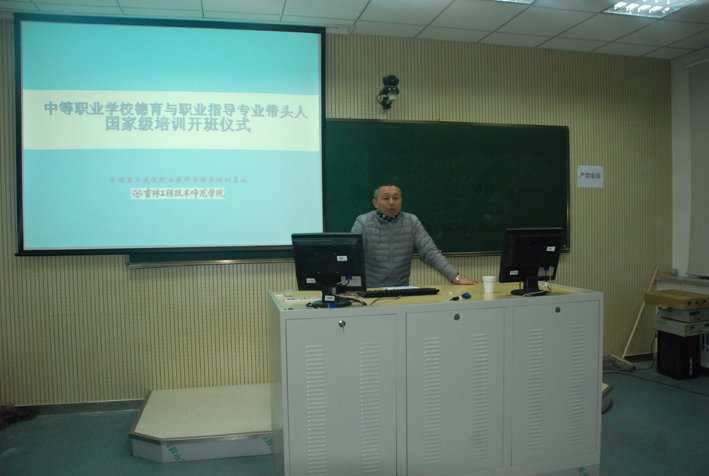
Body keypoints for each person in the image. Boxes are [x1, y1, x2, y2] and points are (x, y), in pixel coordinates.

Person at [351, 184, 478, 288]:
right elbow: (351, 256)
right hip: (369, 289)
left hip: (401, 290)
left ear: (401, 201)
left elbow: (430, 252)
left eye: (396, 198)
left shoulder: (411, 222)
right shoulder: (363, 222)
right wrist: (350, 286)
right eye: (386, 198)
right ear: (375, 203)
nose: (391, 202)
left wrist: (456, 278)